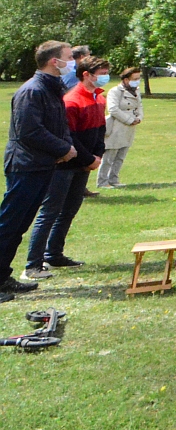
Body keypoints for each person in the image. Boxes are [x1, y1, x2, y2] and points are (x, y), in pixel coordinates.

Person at [0, 42, 79, 299]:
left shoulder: (52, 89)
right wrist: (62, 149)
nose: (73, 61)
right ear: (54, 61)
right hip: (25, 167)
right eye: (69, 57)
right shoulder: (32, 91)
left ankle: (3, 276)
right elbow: (29, 131)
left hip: (41, 165)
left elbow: (59, 125)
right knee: (9, 225)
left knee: (19, 225)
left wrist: (64, 147)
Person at [26, 55, 108, 279]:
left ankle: (54, 253)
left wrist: (97, 156)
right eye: (101, 74)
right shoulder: (72, 100)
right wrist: (87, 159)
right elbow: (68, 135)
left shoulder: (99, 98)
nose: (105, 78)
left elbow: (100, 130)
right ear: (86, 75)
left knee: (70, 210)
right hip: (65, 165)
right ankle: (34, 263)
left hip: (84, 164)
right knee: (50, 211)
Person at [99, 66, 144, 188]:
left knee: (121, 156)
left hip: (130, 127)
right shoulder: (115, 91)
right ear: (125, 79)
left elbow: (139, 105)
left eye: (138, 78)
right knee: (109, 156)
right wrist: (129, 120)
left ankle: (114, 179)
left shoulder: (137, 90)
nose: (137, 81)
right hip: (116, 126)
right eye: (134, 79)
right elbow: (113, 109)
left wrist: (139, 117)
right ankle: (102, 181)